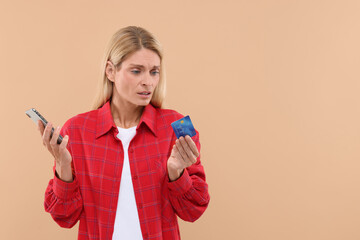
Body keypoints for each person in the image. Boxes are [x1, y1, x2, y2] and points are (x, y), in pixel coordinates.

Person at [38, 26, 210, 240]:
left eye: (154, 71)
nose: (148, 81)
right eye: (136, 71)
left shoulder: (180, 126)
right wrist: (63, 165)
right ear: (110, 71)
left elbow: (194, 210)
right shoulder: (75, 130)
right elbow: (63, 216)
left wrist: (176, 172)